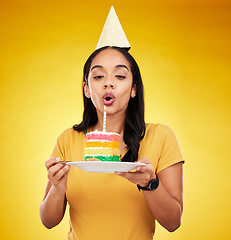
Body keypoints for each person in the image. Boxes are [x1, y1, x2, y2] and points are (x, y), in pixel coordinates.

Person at [40, 46, 184, 240]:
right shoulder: (68, 139)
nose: (108, 83)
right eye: (98, 77)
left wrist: (150, 183)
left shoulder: (161, 136)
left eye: (120, 76)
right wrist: (58, 189)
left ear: (134, 89)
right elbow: (48, 221)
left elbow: (173, 222)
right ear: (87, 89)